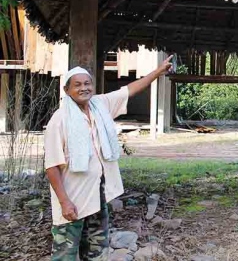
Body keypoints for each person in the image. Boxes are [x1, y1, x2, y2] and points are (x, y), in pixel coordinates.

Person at [44, 55, 173, 261]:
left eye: (87, 83)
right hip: (72, 202)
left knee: (96, 252)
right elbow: (51, 167)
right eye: (77, 85)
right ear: (67, 90)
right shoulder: (59, 120)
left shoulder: (100, 105)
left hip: (97, 197)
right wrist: (64, 202)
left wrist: (158, 72)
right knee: (65, 255)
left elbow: (129, 90)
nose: (83, 88)